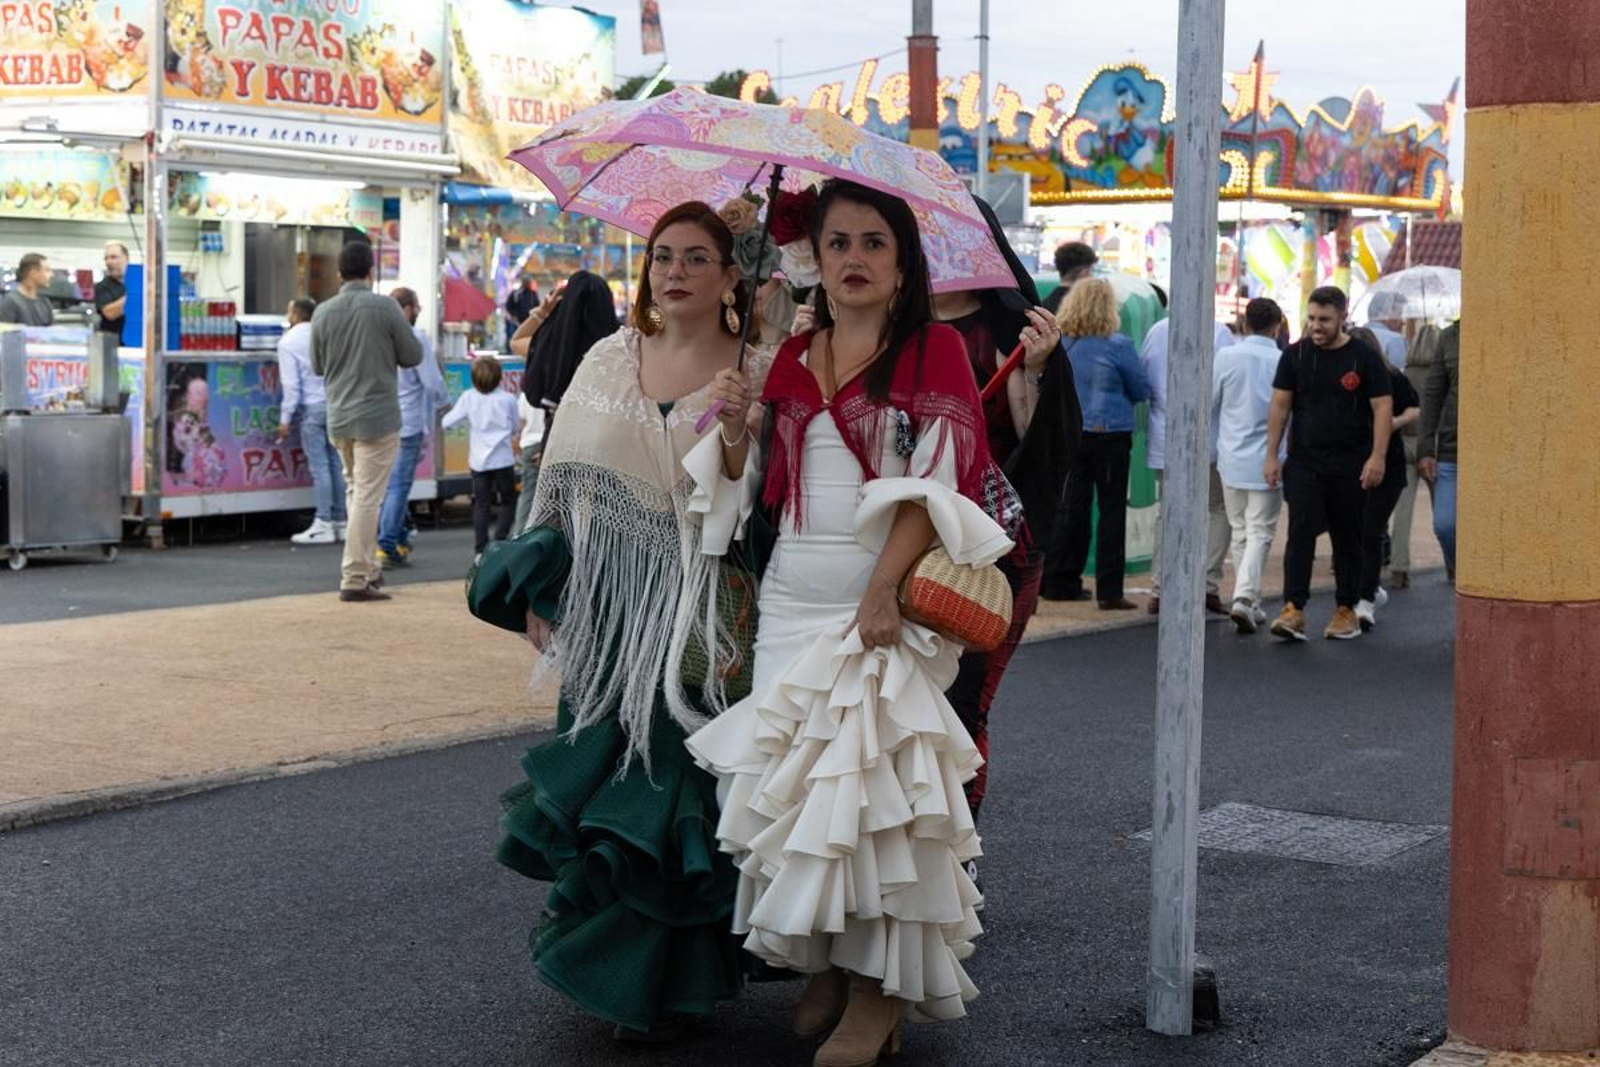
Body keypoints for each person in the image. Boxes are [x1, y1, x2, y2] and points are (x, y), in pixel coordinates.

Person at [686, 180, 1006, 1065]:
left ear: (903, 264)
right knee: (792, 796)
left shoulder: (933, 351)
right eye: (839, 243)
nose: (855, 258)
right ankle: (825, 958)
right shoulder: (789, 356)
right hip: (791, 598)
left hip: (880, 607)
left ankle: (877, 996)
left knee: (873, 805)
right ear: (815, 259)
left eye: (874, 243)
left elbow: (937, 485)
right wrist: (743, 429)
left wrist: (882, 590)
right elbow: (756, 491)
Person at [496, 201, 775, 1042]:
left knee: (681, 796)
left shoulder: (760, 368)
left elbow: (758, 504)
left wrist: (737, 429)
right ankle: (618, 978)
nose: (675, 271)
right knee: (611, 791)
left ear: (733, 278)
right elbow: (559, 481)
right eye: (663, 256)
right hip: (609, 615)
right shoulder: (607, 357)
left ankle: (670, 981)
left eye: (697, 257)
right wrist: (543, 593)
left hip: (708, 613)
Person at [929, 195, 1079, 832]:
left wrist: (1039, 371)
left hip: (993, 550)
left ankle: (956, 855)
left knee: (963, 701)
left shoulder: (1014, 332)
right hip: (892, 543)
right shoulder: (881, 325)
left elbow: (1034, 443)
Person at [1264, 286, 1393, 641]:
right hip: (1305, 462)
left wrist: (1377, 456)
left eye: (1325, 319)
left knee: (1346, 536)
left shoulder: (1362, 358)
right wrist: (1272, 454)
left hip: (1352, 463)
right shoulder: (1294, 356)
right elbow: (1279, 406)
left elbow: (1382, 407)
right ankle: (1293, 608)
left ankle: (1346, 608)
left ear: (1342, 316)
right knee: (1300, 532)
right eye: (1312, 318)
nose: (1317, 326)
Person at [311, 241, 422, 603]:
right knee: (367, 498)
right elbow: (412, 354)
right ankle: (355, 577)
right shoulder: (386, 308)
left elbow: (317, 365)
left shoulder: (323, 312)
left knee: (357, 493)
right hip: (377, 416)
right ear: (372, 272)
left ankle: (368, 571)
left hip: (339, 416)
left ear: (339, 273)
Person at [1042, 278, 1151, 609]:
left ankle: (1060, 581)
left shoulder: (1062, 344)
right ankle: (1109, 590)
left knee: (1070, 509)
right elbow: (1140, 388)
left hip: (1072, 433)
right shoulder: (1117, 344)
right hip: (1110, 435)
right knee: (1111, 511)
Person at [1140, 313, 1237, 615]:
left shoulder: (1156, 331)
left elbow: (1145, 382)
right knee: (1216, 510)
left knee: (1168, 511)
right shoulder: (1219, 332)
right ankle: (1207, 584)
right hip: (1207, 436)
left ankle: (1160, 586)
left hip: (1164, 436)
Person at [1212, 298, 1287, 634]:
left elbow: (1211, 403)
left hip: (1230, 455)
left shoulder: (1226, 357)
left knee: (1241, 530)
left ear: (1244, 322)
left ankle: (1248, 600)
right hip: (1270, 456)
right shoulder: (1282, 360)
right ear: (1277, 325)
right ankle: (1245, 597)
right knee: (1260, 531)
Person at [1347, 326, 1420, 630]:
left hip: (1387, 468)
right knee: (1354, 531)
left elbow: (1414, 407)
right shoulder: (1345, 383)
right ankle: (1366, 591)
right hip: (1349, 466)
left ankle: (1364, 600)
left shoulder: (1393, 379)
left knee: (1370, 529)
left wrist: (1394, 422)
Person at [375, 287, 449, 568]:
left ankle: (401, 536)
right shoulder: (415, 337)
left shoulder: (380, 337)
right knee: (399, 487)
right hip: (409, 424)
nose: (418, 310)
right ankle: (386, 544)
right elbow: (431, 382)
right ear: (405, 309)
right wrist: (445, 403)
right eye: (416, 305)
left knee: (388, 485)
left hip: (383, 420)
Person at [276, 297, 346, 545]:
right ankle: (341, 520)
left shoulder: (288, 342)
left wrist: (285, 419)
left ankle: (324, 522)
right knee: (337, 465)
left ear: (295, 314)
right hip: (335, 405)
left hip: (311, 410)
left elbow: (292, 386)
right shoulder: (326, 335)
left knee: (320, 468)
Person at [440, 356, 519, 556]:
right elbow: (515, 427)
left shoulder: (468, 397)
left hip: (479, 460)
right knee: (508, 500)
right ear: (499, 377)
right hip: (503, 458)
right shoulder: (508, 399)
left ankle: (480, 549)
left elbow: (447, 422)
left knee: (481, 503)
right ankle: (500, 540)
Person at [1388, 323, 1442, 588]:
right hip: (1433, 445)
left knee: (1403, 509)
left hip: (1405, 442)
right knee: (1442, 508)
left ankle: (1399, 567)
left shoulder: (1403, 374)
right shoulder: (1441, 375)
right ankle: (1453, 565)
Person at [1416, 320, 1460, 580]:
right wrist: (1425, 449)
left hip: (1492, 453)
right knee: (1444, 525)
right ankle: (1464, 574)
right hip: (1450, 448)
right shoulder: (1449, 337)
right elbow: (1432, 395)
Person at [1041, 240, 1097, 315]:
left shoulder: (1043, 308)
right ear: (1084, 272)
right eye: (1091, 270)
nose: (1092, 276)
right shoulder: (1091, 309)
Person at [1, 254, 54, 326]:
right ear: (33, 273)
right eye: (47, 270)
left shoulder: (45, 303)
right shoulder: (10, 302)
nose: (52, 275)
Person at [94, 242, 129, 340]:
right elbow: (110, 313)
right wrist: (135, 296)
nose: (108, 262)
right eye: (106, 258)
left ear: (126, 259)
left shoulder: (136, 282)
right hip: (112, 345)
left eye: (113, 257)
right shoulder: (102, 287)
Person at [504, 274, 540, 349]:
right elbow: (509, 305)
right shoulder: (516, 293)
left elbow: (537, 305)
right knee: (514, 335)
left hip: (529, 319)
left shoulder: (532, 294)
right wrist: (513, 315)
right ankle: (511, 349)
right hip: (517, 320)